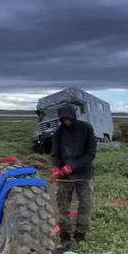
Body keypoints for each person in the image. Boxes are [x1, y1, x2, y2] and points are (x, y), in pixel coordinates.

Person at [50, 105, 97, 245]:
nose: (67, 122)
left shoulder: (86, 128)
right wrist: (57, 168)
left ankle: (80, 234)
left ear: (74, 117)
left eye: (69, 119)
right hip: (65, 178)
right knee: (63, 206)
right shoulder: (58, 132)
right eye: (63, 119)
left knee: (85, 204)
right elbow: (55, 153)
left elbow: (90, 154)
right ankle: (65, 237)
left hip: (84, 174)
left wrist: (73, 166)